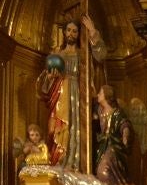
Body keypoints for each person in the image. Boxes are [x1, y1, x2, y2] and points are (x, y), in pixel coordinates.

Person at [38, 15, 107, 169]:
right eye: (68, 30)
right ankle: (59, 162)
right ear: (64, 32)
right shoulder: (57, 55)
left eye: (75, 31)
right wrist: (49, 78)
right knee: (58, 130)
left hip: (80, 96)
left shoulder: (83, 54)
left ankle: (76, 165)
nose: (71, 34)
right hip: (60, 96)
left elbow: (101, 56)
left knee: (78, 129)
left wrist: (92, 31)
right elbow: (44, 88)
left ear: (78, 34)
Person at [94, 84, 135, 185]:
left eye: (100, 93)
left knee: (103, 171)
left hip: (113, 145)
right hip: (102, 147)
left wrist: (125, 135)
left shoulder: (116, 113)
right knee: (99, 172)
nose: (98, 95)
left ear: (106, 96)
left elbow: (125, 124)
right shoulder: (100, 111)